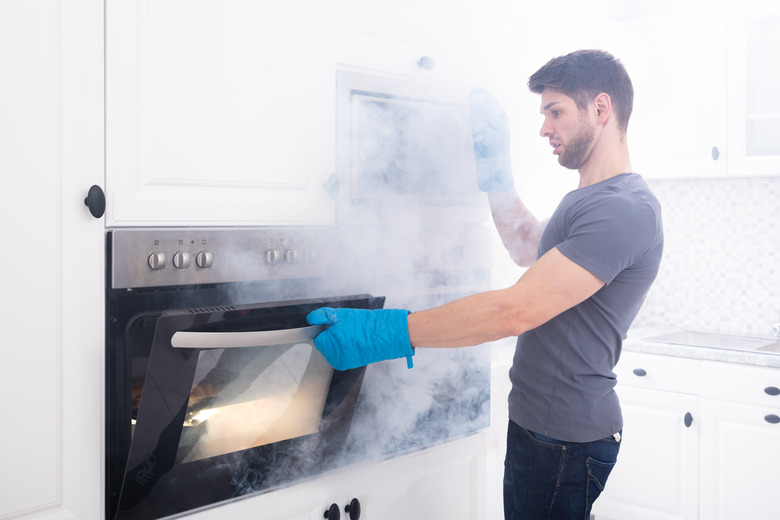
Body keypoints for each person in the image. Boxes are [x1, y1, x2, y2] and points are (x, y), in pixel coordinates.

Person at [306, 49, 663, 520]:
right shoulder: (589, 198)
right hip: (543, 430)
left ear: (600, 109)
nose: (543, 128)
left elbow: (513, 312)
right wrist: (496, 174)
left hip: (565, 441)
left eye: (555, 112)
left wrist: (383, 332)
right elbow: (526, 247)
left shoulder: (623, 207)